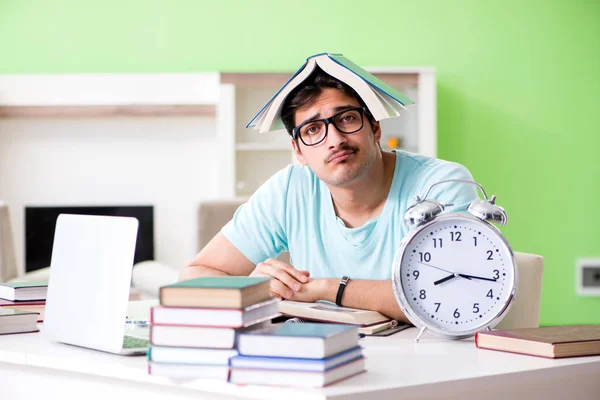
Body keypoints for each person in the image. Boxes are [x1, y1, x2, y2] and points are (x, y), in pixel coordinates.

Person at [180, 65, 478, 322]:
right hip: (327, 359)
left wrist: (329, 289)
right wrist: (254, 289)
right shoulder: (289, 190)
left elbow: (451, 294)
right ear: (298, 151)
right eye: (312, 130)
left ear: (375, 127)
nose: (334, 139)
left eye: (347, 118)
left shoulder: (439, 184)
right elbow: (193, 278)